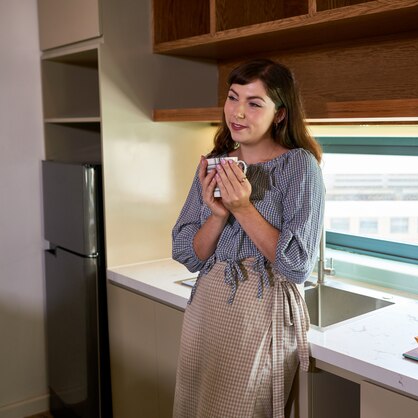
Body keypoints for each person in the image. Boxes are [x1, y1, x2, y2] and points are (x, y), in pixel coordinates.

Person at [171, 58, 324, 418]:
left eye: (254, 103)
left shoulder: (300, 166)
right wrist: (219, 215)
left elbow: (297, 265)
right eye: (233, 98)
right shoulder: (215, 163)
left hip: (258, 311)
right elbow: (186, 252)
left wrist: (241, 207)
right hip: (207, 304)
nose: (238, 112)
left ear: (280, 114)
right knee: (194, 408)